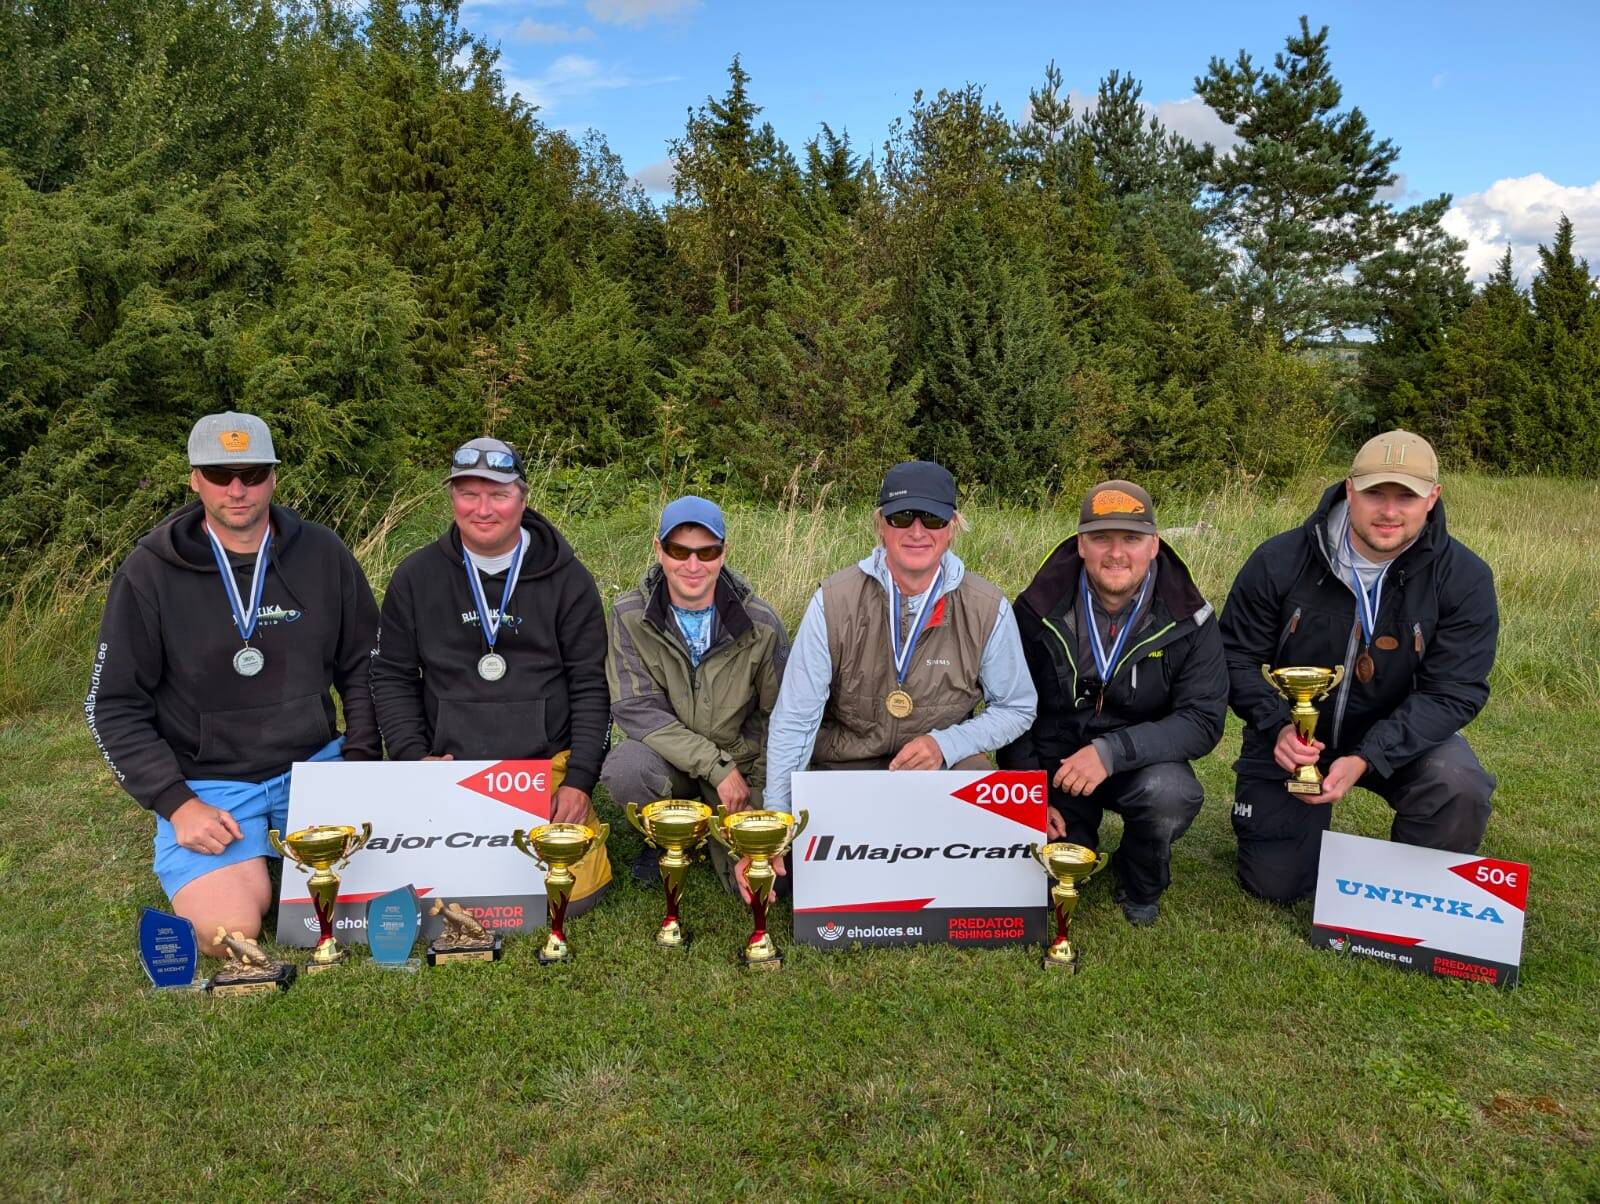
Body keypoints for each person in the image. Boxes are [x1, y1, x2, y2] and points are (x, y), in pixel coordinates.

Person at [85, 412, 380, 956]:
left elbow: (365, 665)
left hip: (317, 767)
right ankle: (248, 861)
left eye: (252, 473)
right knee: (230, 932)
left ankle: (278, 852)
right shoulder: (148, 571)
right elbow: (113, 707)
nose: (237, 490)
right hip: (212, 785)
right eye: (220, 475)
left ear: (273, 476)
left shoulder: (323, 553)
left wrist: (359, 761)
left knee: (382, 903)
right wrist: (177, 804)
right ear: (195, 479)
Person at [1219, 430, 1498, 903]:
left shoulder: (1464, 578)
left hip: (1399, 738)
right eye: (1375, 494)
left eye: (1405, 496)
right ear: (1349, 489)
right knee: (1276, 884)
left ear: (1433, 498)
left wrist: (1370, 755)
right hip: (1295, 742)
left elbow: (1454, 691)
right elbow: (1232, 656)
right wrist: (1277, 728)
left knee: (1457, 784)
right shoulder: (1280, 559)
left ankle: (1416, 886)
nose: (1389, 512)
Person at [369, 437, 613, 914]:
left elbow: (589, 685)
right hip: (449, 771)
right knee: (431, 898)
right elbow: (392, 676)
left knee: (574, 898)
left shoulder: (570, 580)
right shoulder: (415, 577)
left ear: (522, 498)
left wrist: (579, 781)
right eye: (468, 493)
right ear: (452, 498)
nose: (483, 509)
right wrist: (413, 758)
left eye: (498, 494)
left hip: (543, 770)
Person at [764, 461, 1038, 861]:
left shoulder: (988, 608)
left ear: (952, 528)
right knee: (791, 885)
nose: (916, 530)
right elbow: (795, 717)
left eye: (931, 517)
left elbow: (1017, 706)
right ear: (880, 525)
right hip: (845, 768)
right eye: (901, 516)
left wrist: (945, 745)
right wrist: (778, 819)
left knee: (978, 777)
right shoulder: (832, 601)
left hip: (936, 771)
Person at [998, 480, 1226, 925]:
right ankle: (1075, 840)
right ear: (1081, 544)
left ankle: (1138, 868)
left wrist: (1111, 752)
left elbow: (1202, 719)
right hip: (1055, 767)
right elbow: (1011, 707)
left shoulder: (1192, 618)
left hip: (1137, 763)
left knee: (1170, 795)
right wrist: (1028, 794)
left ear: (1155, 544)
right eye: (1101, 538)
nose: (1116, 553)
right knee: (1043, 888)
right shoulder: (1032, 610)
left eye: (1132, 539)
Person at [601, 496, 789, 895]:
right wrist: (713, 765)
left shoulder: (763, 624)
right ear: (658, 550)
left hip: (741, 768)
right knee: (626, 768)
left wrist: (761, 795)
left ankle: (717, 838)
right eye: (678, 551)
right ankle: (665, 840)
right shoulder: (627, 616)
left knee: (760, 885)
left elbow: (779, 718)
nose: (692, 565)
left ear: (723, 554)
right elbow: (636, 710)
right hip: (672, 762)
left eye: (706, 552)